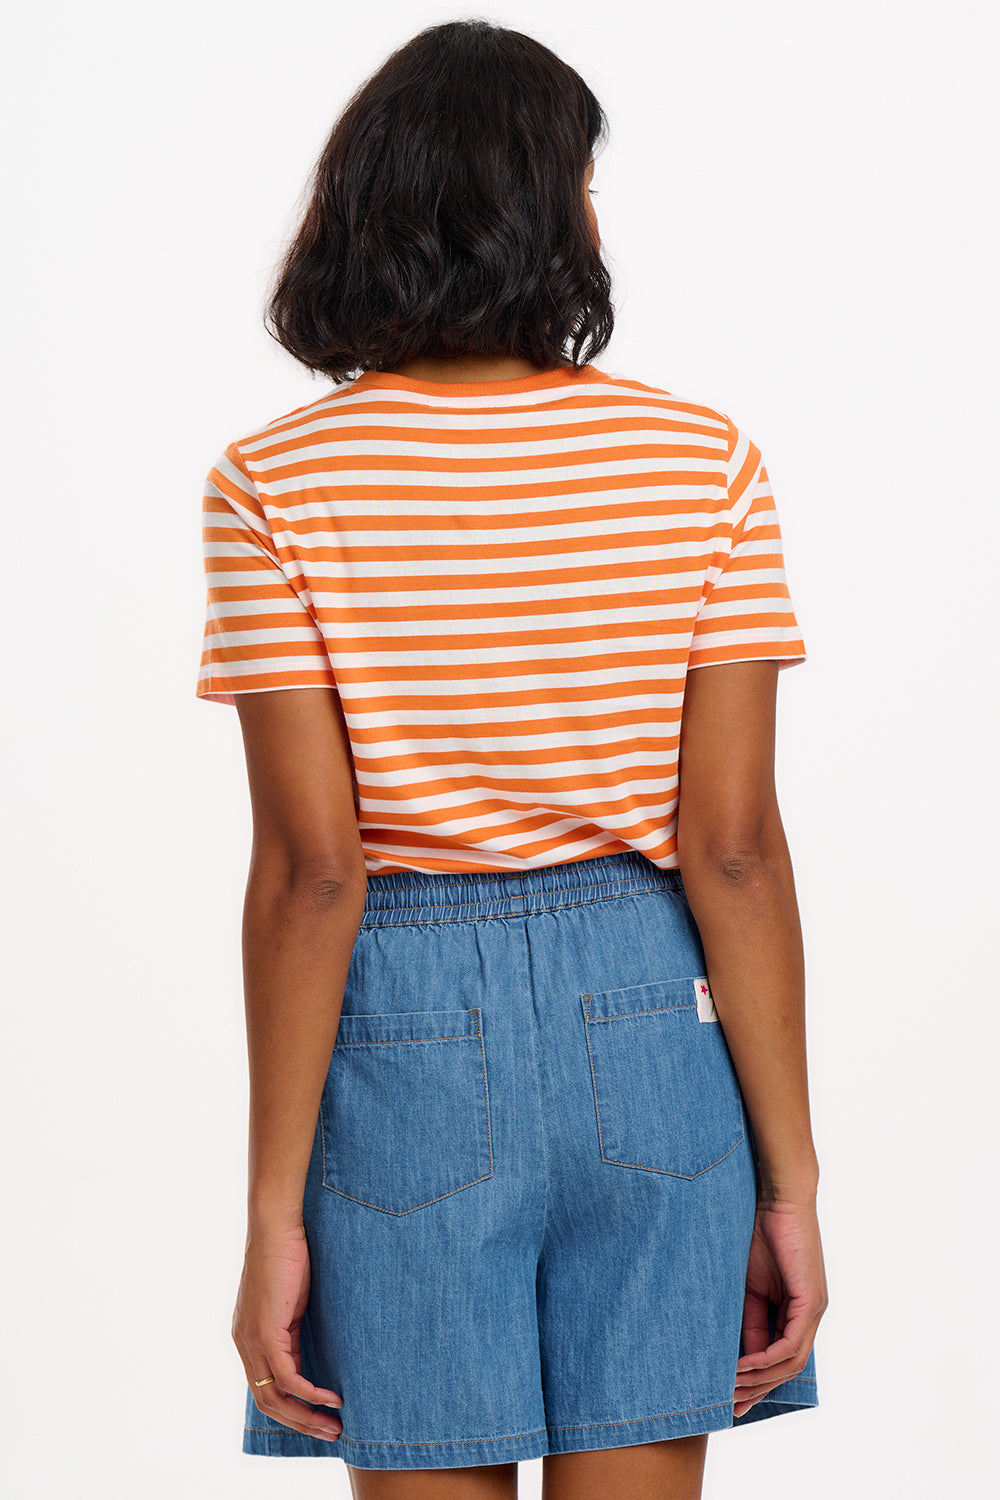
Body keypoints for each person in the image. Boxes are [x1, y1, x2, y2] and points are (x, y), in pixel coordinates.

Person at [195, 18, 828, 1500]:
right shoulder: (701, 459)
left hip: (404, 1040)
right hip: (653, 1027)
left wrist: (273, 1213)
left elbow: (311, 873)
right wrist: (791, 1181)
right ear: (554, 207)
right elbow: (732, 848)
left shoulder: (275, 484)